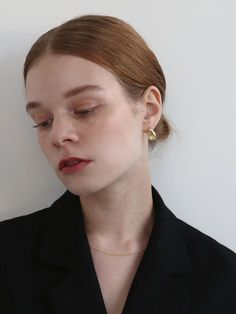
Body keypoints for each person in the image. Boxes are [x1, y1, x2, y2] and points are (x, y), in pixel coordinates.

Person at [0, 14, 235, 314]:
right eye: (43, 122)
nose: (58, 135)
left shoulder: (223, 279)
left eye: (84, 110)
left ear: (149, 109)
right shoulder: (6, 258)